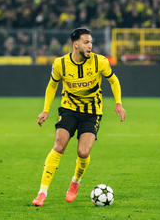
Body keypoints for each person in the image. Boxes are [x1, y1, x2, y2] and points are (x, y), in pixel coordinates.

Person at [32, 28, 126, 206]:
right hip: (69, 109)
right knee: (59, 146)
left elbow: (113, 80)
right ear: (75, 44)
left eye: (91, 42)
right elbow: (52, 86)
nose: (90, 46)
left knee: (83, 152)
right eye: (86, 42)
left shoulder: (100, 62)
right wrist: (46, 110)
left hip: (92, 112)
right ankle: (42, 192)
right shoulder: (61, 64)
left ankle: (75, 181)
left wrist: (118, 102)